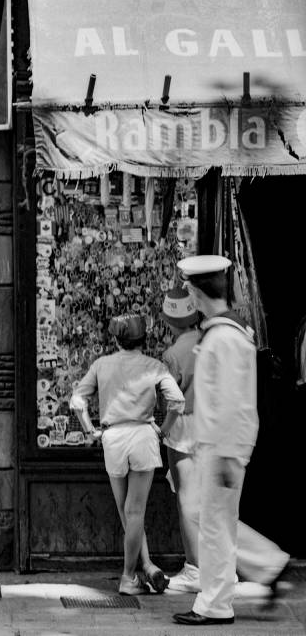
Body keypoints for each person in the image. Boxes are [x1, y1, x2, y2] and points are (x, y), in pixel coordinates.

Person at [172, 255, 289, 627]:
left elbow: (228, 400)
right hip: (222, 445)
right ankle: (260, 570)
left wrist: (221, 453)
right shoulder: (228, 333)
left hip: (220, 446)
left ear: (194, 291)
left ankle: (216, 602)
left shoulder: (222, 337)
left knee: (214, 525)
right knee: (213, 521)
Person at [70, 313, 184, 596]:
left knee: (126, 511)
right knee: (134, 512)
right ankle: (130, 574)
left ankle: (143, 569)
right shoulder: (154, 365)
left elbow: (76, 400)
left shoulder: (101, 364)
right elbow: (177, 401)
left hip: (113, 437)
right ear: (143, 339)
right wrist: (164, 431)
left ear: (116, 339)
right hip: (143, 435)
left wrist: (89, 430)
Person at [158, 284, 202, 593]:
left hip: (184, 428)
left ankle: (195, 567)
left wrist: (162, 429)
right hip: (211, 425)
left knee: (187, 498)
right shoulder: (209, 341)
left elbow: (170, 399)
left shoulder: (173, 354)